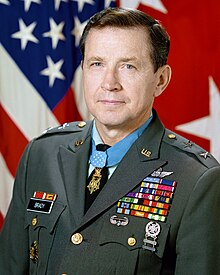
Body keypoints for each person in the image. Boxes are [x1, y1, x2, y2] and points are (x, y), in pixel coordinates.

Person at [0, 7, 220, 275]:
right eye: (97, 64)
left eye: (128, 66)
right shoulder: (41, 154)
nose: (109, 83)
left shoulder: (197, 179)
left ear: (160, 80)